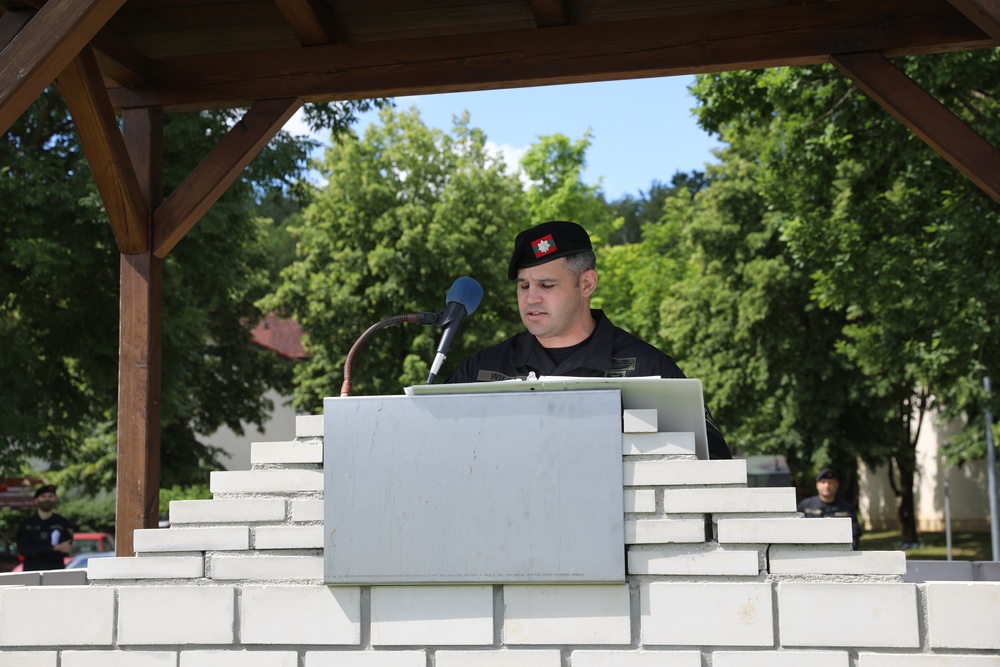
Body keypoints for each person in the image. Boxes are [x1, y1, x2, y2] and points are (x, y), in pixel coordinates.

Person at [446, 220, 731, 460]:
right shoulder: (482, 370)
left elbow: (713, 471)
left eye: (546, 285)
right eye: (524, 286)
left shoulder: (649, 370)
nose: (531, 297)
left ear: (586, 284)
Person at [797, 467, 862, 550]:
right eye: (823, 482)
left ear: (837, 484)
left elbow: (854, 537)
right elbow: (797, 532)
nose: (827, 486)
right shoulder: (806, 506)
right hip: (810, 553)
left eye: (830, 482)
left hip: (839, 555)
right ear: (817, 484)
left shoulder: (847, 509)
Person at [16, 484, 75, 571]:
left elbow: (66, 549)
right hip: (32, 570)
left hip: (56, 570)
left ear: (55, 499)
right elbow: (24, 550)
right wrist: (55, 547)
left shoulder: (63, 523)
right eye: (43, 497)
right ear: (36, 501)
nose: (47, 499)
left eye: (50, 496)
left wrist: (38, 549)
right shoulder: (26, 524)